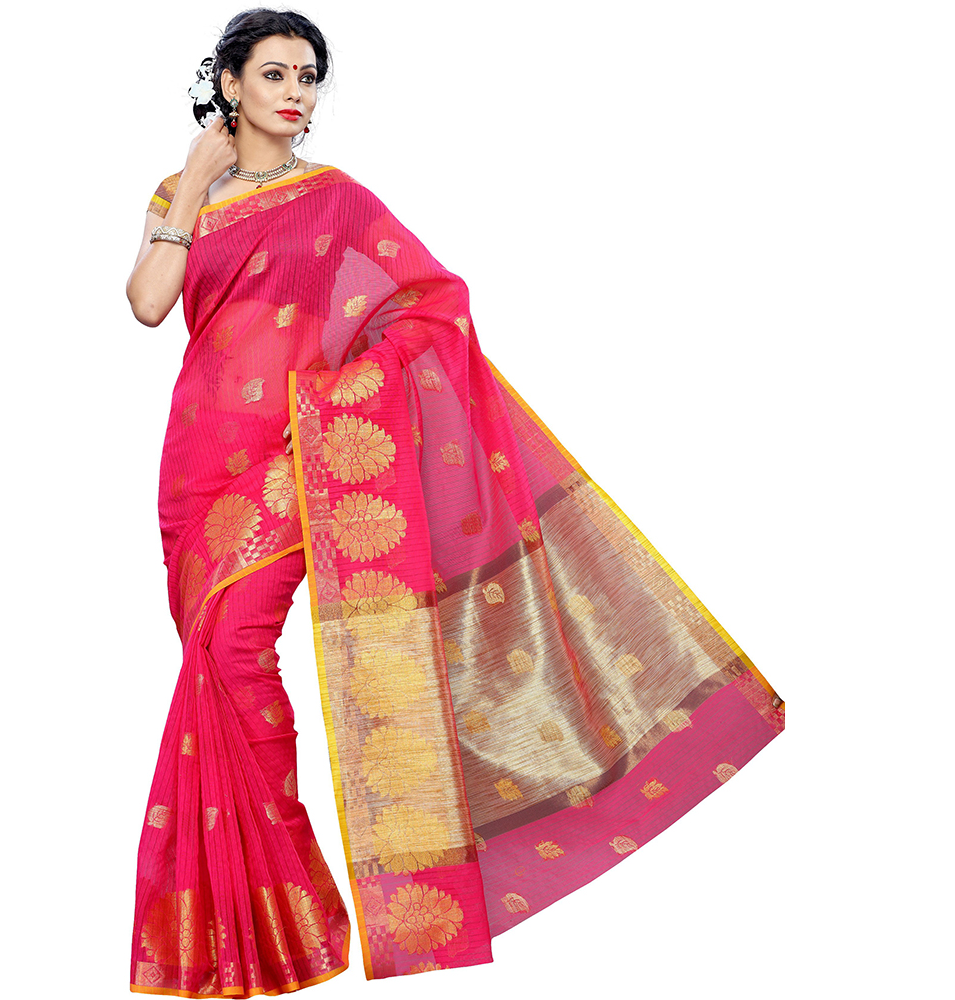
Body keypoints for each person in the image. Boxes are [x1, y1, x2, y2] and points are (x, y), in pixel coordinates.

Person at [126, 8, 787, 995]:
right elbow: (147, 302)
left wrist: (339, 401)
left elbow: (432, 304)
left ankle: (287, 910)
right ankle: (261, 926)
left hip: (296, 450)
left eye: (308, 76)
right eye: (274, 74)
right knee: (211, 661)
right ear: (228, 84)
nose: (296, 93)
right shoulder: (178, 193)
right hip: (195, 459)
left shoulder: (339, 200)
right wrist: (191, 177)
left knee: (234, 649)